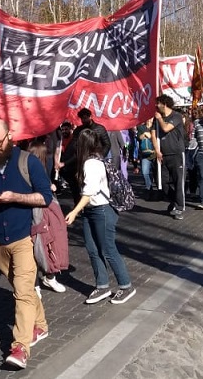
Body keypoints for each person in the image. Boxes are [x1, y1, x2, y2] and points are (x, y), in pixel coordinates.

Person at [0, 119, 52, 369]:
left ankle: (20, 347)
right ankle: (40, 326)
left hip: (25, 237)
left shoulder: (27, 161)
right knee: (24, 290)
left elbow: (45, 197)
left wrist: (15, 197)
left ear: (10, 136)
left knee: (21, 291)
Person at [64, 129, 136, 305]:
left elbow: (90, 191)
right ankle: (102, 285)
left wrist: (74, 212)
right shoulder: (94, 160)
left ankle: (126, 286)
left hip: (102, 210)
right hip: (91, 210)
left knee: (108, 249)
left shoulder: (91, 163)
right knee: (92, 248)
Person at [27, 140, 66, 294]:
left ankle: (50, 276)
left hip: (46, 211)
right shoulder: (26, 168)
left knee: (50, 242)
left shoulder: (42, 167)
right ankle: (35, 283)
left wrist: (50, 185)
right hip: (34, 212)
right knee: (35, 245)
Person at [151, 94, 187, 220]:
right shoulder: (156, 118)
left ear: (164, 104)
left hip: (176, 154)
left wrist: (160, 119)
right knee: (163, 183)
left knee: (178, 182)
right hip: (163, 155)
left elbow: (166, 129)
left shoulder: (176, 116)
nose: (156, 106)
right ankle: (174, 200)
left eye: (158, 103)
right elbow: (154, 134)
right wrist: (157, 151)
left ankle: (180, 206)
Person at [137, 118, 156, 200]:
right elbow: (139, 137)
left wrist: (151, 135)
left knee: (157, 174)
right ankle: (149, 189)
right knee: (145, 173)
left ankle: (160, 191)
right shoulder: (141, 127)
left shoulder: (156, 127)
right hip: (145, 154)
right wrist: (144, 133)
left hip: (155, 153)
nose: (149, 119)